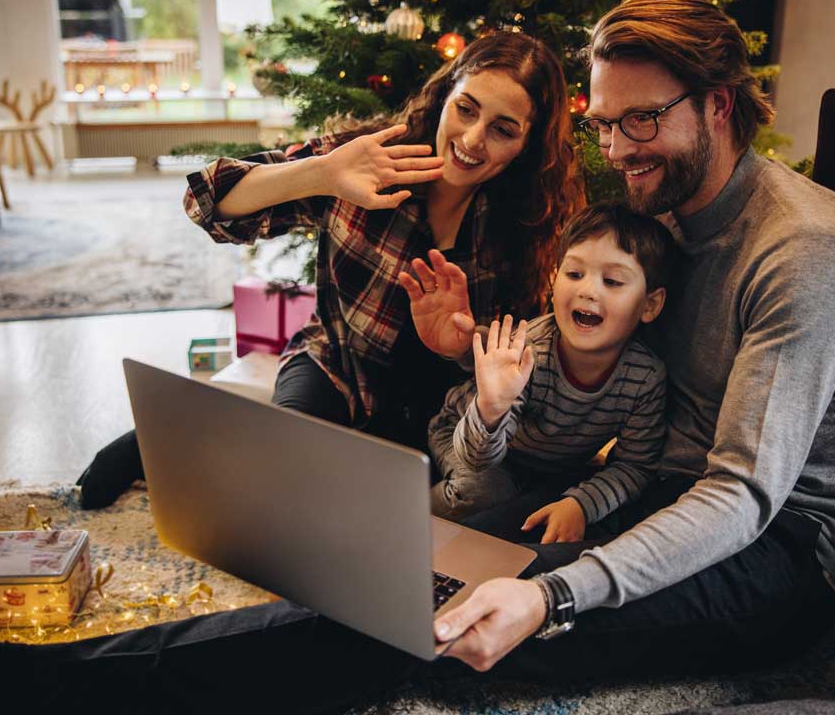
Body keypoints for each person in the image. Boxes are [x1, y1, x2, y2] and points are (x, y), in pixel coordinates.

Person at [429, 0, 835, 677]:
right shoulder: (664, 219)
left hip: (785, 546)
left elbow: (742, 493)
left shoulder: (805, 251)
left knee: (458, 630)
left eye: (642, 120)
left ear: (719, 102)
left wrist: (553, 596)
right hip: (664, 491)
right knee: (435, 564)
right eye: (604, 124)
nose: (618, 149)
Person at [76, 31, 585, 508]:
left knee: (385, 513)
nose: (473, 139)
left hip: (442, 414)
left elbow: (525, 370)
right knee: (287, 471)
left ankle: (238, 437)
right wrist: (319, 173)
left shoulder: (533, 226)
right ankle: (186, 432)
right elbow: (204, 200)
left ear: (527, 144)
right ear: (446, 95)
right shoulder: (368, 161)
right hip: (336, 367)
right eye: (466, 110)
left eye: (502, 129)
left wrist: (460, 346)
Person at [428, 202, 675, 543]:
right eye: (574, 274)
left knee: (551, 496)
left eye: (613, 281)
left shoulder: (645, 377)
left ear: (649, 305)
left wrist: (581, 504)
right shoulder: (531, 353)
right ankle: (403, 525)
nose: (588, 290)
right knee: (484, 492)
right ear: (553, 281)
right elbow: (476, 456)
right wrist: (491, 408)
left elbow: (635, 466)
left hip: (545, 462)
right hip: (467, 431)